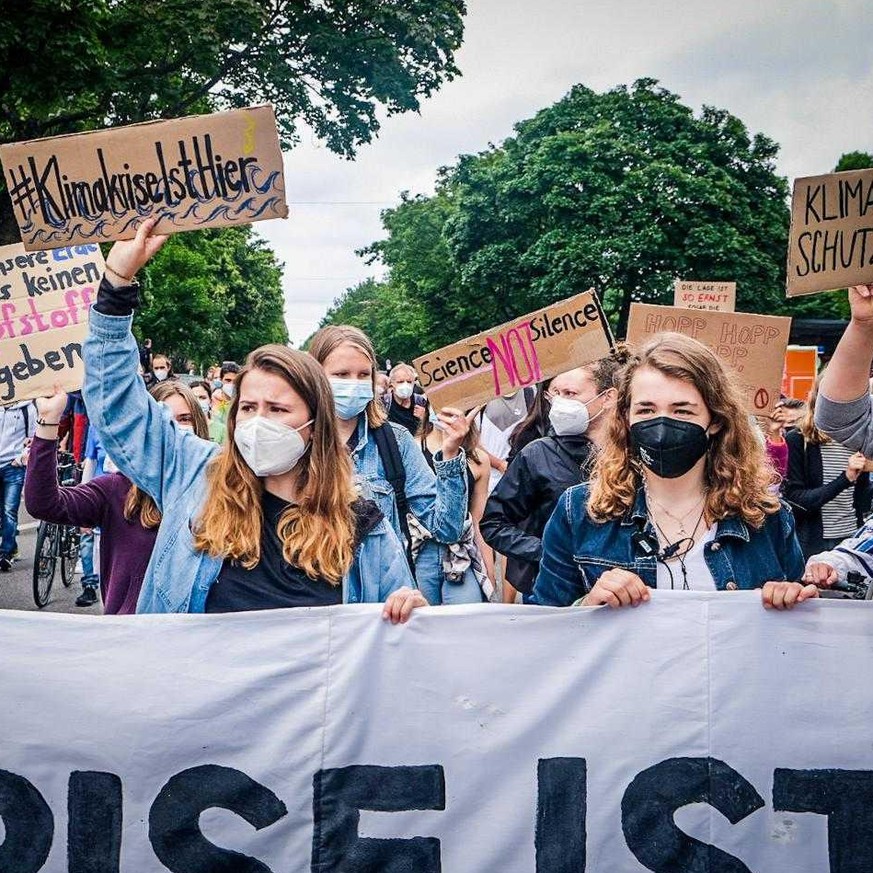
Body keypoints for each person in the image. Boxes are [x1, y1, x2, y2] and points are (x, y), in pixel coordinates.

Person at [80, 218, 425, 621]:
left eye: (278, 410)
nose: (258, 422)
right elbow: (117, 407)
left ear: (314, 427)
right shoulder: (193, 475)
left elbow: (395, 634)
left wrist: (410, 613)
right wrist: (116, 287)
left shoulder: (363, 527)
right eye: (248, 407)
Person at [531, 333, 813, 610]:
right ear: (626, 418)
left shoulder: (767, 519)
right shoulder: (579, 512)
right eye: (646, 410)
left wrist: (788, 599)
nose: (662, 426)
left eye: (682, 411)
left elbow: (796, 638)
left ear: (715, 419)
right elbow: (545, 627)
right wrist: (588, 604)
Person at [308, 325, 470, 593]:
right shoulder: (298, 444)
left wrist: (451, 454)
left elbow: (446, 529)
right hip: (314, 600)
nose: (354, 383)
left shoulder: (395, 442)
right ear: (314, 376)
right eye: (341, 375)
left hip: (384, 601)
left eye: (363, 375)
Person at [25, 382, 210, 614]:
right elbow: (43, 504)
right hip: (131, 638)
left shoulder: (220, 492)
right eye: (164, 421)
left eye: (184, 419)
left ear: (199, 426)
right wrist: (48, 421)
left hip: (197, 640)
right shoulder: (115, 489)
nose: (174, 429)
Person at [480, 354, 624, 600]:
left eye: (570, 394)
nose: (558, 403)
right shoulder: (538, 454)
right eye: (554, 393)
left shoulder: (633, 454)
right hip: (552, 593)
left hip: (620, 592)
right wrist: (547, 552)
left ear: (608, 398)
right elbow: (494, 523)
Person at [782, 375, 872, 561]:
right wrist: (844, 479)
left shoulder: (858, 441)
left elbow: (862, 500)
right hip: (813, 544)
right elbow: (796, 501)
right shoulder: (798, 439)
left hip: (851, 540)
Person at [418, 400, 493, 602]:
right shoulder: (412, 450)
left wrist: (488, 574)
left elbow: (479, 521)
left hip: (462, 553)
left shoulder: (479, 459)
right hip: (421, 554)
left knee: (466, 621)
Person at [0, 401, 35, 571]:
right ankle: (11, 545)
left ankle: (5, 553)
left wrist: (20, 458)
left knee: (9, 509)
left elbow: (33, 438)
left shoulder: (27, 408)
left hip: (12, 466)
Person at [385, 363, 426, 436]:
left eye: (409, 382)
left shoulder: (421, 402)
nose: (405, 385)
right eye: (400, 382)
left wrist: (424, 418)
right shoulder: (384, 403)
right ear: (392, 383)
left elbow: (431, 429)